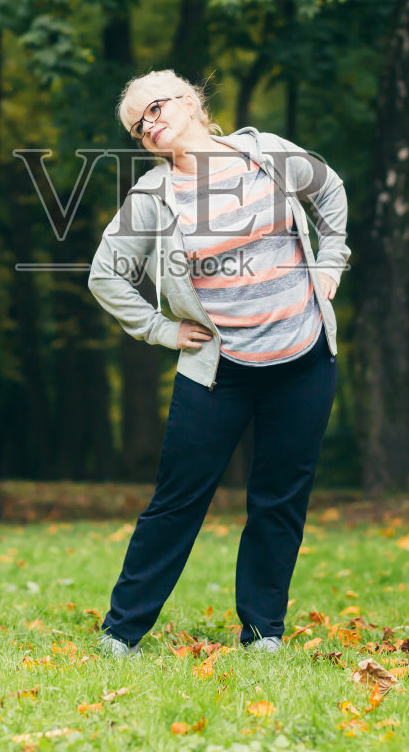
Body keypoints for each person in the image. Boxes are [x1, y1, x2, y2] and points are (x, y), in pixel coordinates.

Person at [86, 68, 351, 657]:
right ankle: (122, 632)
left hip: (303, 359)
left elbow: (330, 191)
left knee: (280, 499)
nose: (148, 128)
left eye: (153, 110)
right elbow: (105, 275)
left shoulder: (266, 155)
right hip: (218, 374)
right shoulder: (153, 196)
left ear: (190, 101)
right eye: (137, 126)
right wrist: (157, 328)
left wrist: (331, 261)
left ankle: (263, 634)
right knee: (177, 502)